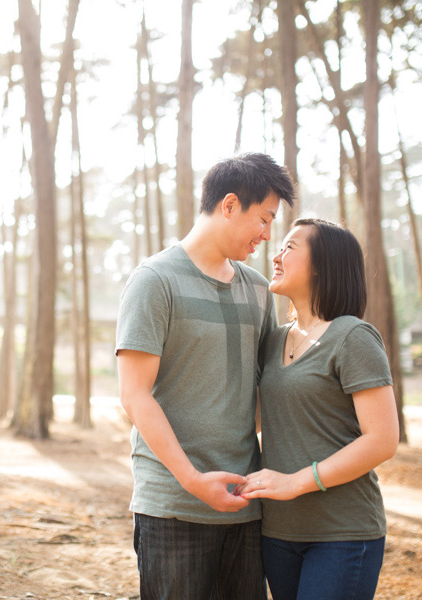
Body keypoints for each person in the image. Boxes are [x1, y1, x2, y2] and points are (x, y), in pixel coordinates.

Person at [115, 152, 296, 599]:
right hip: (173, 506)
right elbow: (135, 397)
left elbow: (268, 389)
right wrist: (193, 480)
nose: (267, 235)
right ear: (230, 205)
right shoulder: (155, 281)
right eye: (264, 218)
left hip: (244, 506)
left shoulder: (257, 289)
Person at [238, 218, 400, 600]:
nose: (275, 255)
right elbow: (260, 420)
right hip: (278, 532)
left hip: (342, 533)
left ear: (322, 265)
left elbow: (382, 440)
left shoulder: (353, 337)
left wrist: (295, 482)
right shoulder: (275, 339)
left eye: (290, 247)